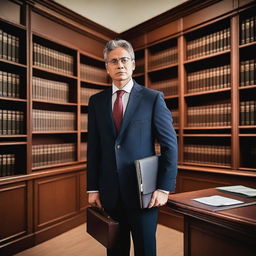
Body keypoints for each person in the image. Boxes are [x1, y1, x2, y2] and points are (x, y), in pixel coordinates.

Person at [87, 38, 178, 256]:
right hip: (110, 194)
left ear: (134, 64)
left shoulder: (152, 98)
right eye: (114, 61)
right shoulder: (96, 102)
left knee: (145, 250)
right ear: (107, 67)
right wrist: (93, 187)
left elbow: (169, 145)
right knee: (115, 251)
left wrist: (164, 188)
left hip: (144, 194)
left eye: (125, 60)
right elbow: (94, 148)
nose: (120, 65)